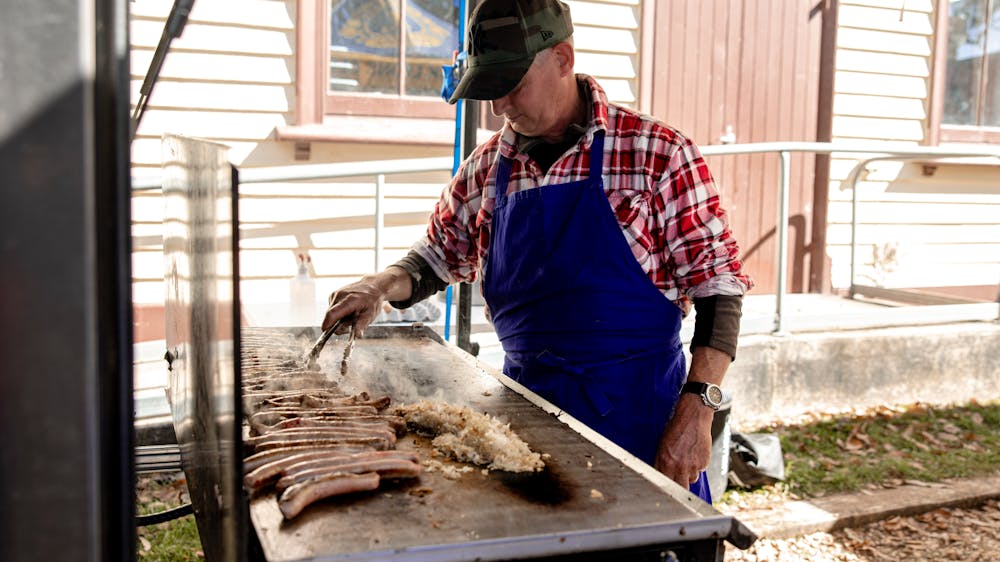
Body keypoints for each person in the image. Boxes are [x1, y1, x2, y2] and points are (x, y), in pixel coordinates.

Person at [321, 0, 752, 503]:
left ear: (563, 58)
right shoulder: (485, 170)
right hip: (525, 416)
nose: (500, 107)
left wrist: (698, 409)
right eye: (489, 92)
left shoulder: (657, 153)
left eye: (512, 85)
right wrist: (377, 285)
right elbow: (436, 257)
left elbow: (719, 289)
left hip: (642, 418)